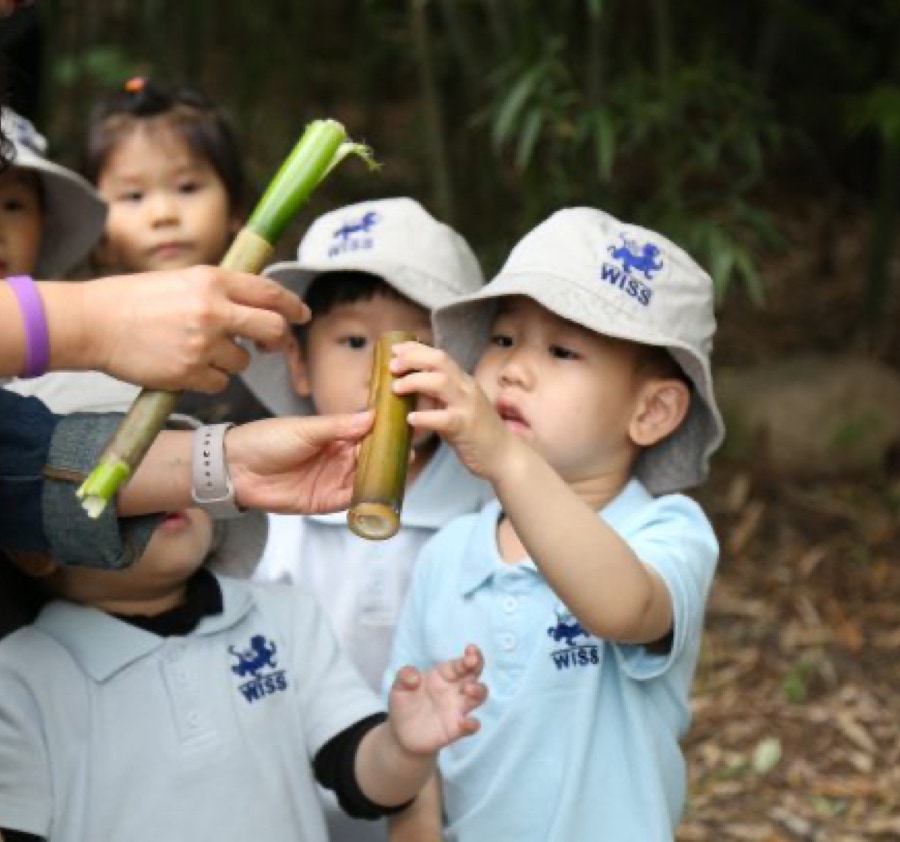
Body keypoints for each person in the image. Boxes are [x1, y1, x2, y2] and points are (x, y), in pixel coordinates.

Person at [384, 207, 725, 840]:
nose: (514, 369)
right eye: (504, 339)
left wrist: (507, 458)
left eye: (563, 350)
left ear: (652, 411)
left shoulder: (668, 534)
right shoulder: (450, 552)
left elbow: (623, 607)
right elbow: (415, 735)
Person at [0, 412, 489, 842]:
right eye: (134, 476)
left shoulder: (286, 617)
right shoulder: (18, 676)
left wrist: (403, 748)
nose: (170, 489)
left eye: (178, 468)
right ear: (36, 550)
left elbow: (363, 781)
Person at [236, 196, 491, 842]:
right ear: (298, 361)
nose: (387, 376)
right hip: (294, 814)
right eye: (354, 342)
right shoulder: (266, 514)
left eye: (418, 349)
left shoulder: (490, 507)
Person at [9, 77, 267, 420]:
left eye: (187, 187)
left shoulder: (276, 328)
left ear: (236, 208)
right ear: (100, 232)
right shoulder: (72, 356)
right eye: (133, 196)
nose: (163, 215)